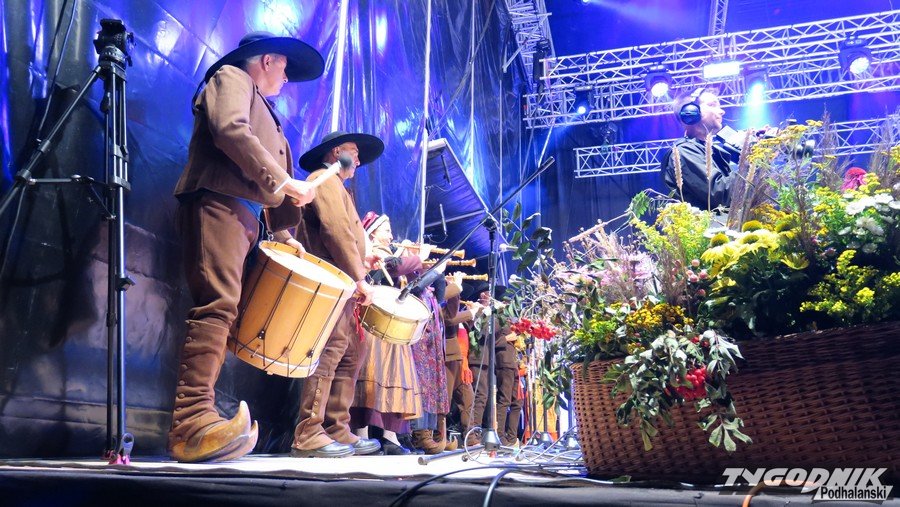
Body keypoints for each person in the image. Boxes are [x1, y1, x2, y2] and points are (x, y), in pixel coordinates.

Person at [168, 32, 323, 463]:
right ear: (267, 60)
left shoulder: (266, 109)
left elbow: (265, 181)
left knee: (227, 309)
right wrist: (284, 182)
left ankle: (198, 417)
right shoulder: (232, 76)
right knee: (218, 306)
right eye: (285, 66)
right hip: (219, 204)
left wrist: (284, 233)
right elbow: (230, 130)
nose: (287, 77)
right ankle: (190, 423)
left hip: (241, 214)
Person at [291, 131, 385, 458]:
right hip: (330, 283)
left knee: (349, 355)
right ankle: (308, 432)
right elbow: (334, 231)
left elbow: (342, 235)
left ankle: (335, 428)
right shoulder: (324, 179)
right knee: (330, 352)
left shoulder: (339, 187)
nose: (358, 159)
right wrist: (360, 277)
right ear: (335, 153)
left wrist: (363, 262)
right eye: (353, 152)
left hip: (341, 283)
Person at [350, 212, 425, 455]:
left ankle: (390, 436)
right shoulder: (369, 251)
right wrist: (417, 258)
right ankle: (361, 435)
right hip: (373, 321)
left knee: (394, 378)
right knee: (370, 377)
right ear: (372, 233)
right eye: (386, 230)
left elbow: (414, 285)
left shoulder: (391, 253)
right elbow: (393, 268)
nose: (391, 236)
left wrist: (416, 262)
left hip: (393, 326)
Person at [660, 87, 738, 210]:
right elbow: (721, 194)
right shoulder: (684, 152)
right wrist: (753, 160)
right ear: (691, 112)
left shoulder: (711, 151)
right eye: (712, 105)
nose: (722, 111)